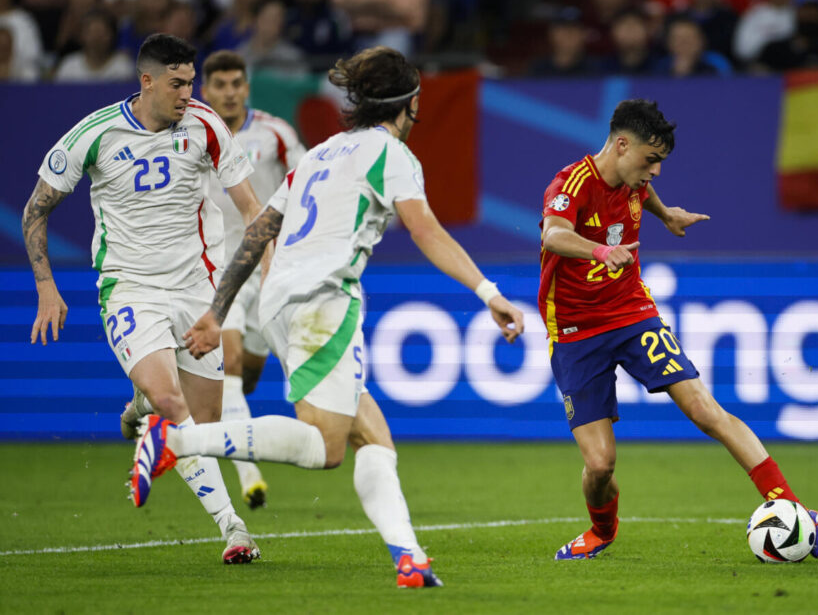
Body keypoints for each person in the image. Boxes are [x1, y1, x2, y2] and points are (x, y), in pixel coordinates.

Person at [128, 46, 525, 588]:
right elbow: (426, 229)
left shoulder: (320, 153)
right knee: (327, 447)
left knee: (374, 438)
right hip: (326, 300)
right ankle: (174, 441)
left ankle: (410, 559)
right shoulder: (392, 156)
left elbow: (260, 229)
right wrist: (488, 291)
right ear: (405, 105)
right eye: (414, 105)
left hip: (280, 301)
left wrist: (218, 311)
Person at [537, 99, 818, 561]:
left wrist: (666, 214)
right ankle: (601, 531)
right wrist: (597, 252)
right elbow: (552, 234)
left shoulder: (635, 182)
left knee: (704, 409)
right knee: (599, 464)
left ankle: (791, 506)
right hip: (575, 331)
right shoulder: (570, 183)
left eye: (661, 163)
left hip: (632, 313)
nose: (655, 172)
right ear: (620, 145)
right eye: (650, 160)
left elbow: (639, 193)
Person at [23, 33, 266, 564]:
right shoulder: (94, 133)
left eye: (191, 81)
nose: (189, 93)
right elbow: (35, 209)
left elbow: (252, 208)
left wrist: (265, 271)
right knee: (172, 404)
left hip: (196, 292)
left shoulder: (206, 125)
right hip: (129, 287)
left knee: (200, 432)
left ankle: (140, 406)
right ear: (147, 81)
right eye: (178, 83)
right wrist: (46, 285)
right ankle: (235, 529)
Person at [201, 48, 307, 508]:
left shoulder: (275, 132)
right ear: (206, 90)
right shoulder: (190, 135)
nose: (228, 93)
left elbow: (306, 184)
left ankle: (220, 413)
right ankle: (249, 475)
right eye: (219, 85)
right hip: (215, 268)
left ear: (247, 87)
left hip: (268, 266)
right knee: (229, 361)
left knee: (245, 377)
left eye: (236, 84)